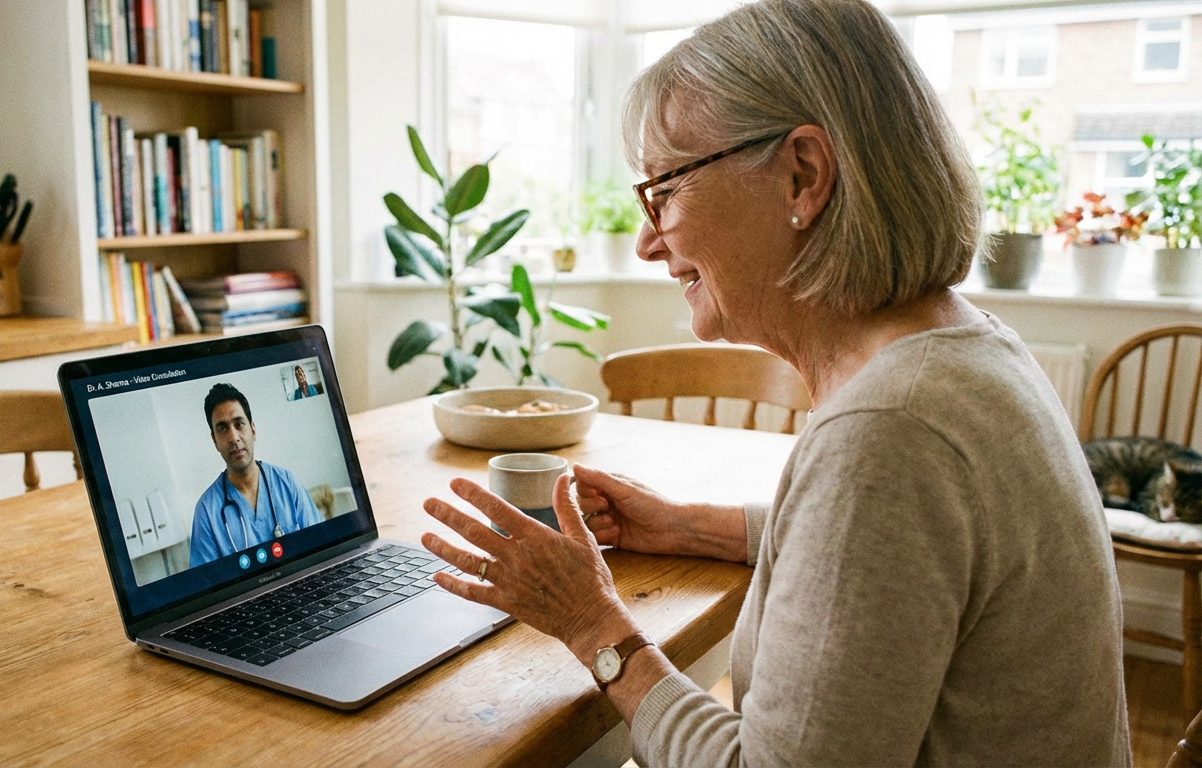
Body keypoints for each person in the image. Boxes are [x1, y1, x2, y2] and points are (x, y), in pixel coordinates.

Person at [417, 0, 1130, 764]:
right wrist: (683, 525)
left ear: (803, 176)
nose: (648, 242)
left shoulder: (889, 432)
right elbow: (873, 559)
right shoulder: (962, 354)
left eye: (665, 188)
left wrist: (592, 624)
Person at [189, 382, 322, 568]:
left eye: (239, 424)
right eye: (222, 428)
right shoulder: (206, 511)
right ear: (215, 441)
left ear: (253, 430)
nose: (234, 437)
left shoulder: (286, 482)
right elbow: (205, 586)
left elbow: (322, 546)